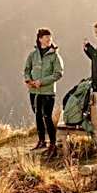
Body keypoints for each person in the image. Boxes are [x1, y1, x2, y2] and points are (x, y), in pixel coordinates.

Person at [24, 28, 64, 156]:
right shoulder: (33, 55)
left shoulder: (55, 56)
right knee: (37, 116)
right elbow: (26, 69)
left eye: (50, 37)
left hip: (48, 92)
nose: (49, 39)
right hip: (34, 91)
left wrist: (41, 82)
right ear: (40, 39)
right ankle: (41, 141)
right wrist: (28, 80)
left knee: (47, 116)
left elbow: (58, 74)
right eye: (46, 37)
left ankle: (53, 144)